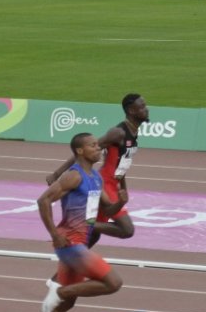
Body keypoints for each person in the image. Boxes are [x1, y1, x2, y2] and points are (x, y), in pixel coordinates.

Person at [34, 133, 124, 312]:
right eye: (93, 146)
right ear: (80, 151)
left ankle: (59, 298)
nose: (99, 148)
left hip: (80, 241)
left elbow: (108, 208)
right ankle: (60, 290)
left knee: (64, 306)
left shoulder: (96, 177)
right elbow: (43, 200)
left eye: (98, 145)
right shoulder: (74, 176)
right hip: (69, 243)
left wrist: (121, 202)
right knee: (113, 282)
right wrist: (55, 234)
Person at [47, 94, 148, 248]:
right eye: (141, 107)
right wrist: (57, 173)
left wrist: (123, 188)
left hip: (113, 186)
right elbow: (86, 151)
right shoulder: (118, 133)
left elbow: (122, 164)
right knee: (126, 229)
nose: (146, 109)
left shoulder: (134, 132)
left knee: (88, 242)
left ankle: (67, 266)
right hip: (104, 185)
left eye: (145, 105)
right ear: (131, 110)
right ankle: (81, 224)